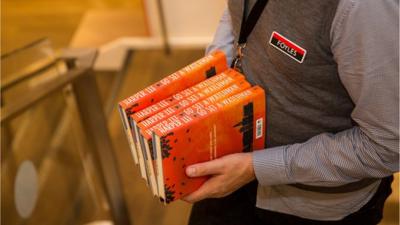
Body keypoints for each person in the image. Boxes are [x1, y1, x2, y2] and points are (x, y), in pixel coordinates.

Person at [182, 0, 399, 225]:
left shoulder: (366, 9)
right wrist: (213, 75)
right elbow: (239, 16)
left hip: (314, 205)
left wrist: (258, 167)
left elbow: (389, 146)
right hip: (232, 163)